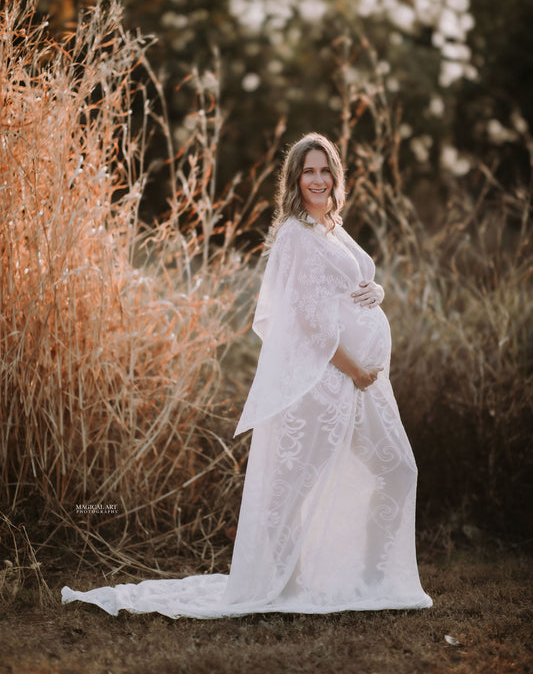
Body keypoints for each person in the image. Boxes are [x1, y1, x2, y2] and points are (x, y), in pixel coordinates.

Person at [62, 133, 432, 618]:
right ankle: (286, 583)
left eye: (325, 170)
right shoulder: (297, 235)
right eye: (309, 171)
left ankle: (368, 577)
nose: (318, 179)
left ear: (336, 177)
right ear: (295, 178)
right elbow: (306, 319)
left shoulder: (329, 226)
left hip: (360, 383)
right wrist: (357, 370)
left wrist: (375, 291)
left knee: (393, 471)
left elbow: (349, 284)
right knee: (302, 489)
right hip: (329, 381)